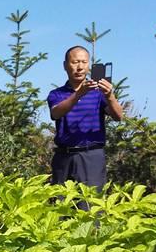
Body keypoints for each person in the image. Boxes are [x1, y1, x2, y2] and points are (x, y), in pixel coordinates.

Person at [47, 46, 123, 196]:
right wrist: (78, 95)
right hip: (63, 157)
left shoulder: (99, 93)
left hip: (91, 156)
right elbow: (55, 113)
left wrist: (109, 96)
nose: (80, 67)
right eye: (75, 62)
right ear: (65, 65)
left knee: (90, 207)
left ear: (89, 66)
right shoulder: (56, 94)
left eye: (84, 62)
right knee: (59, 206)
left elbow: (118, 116)